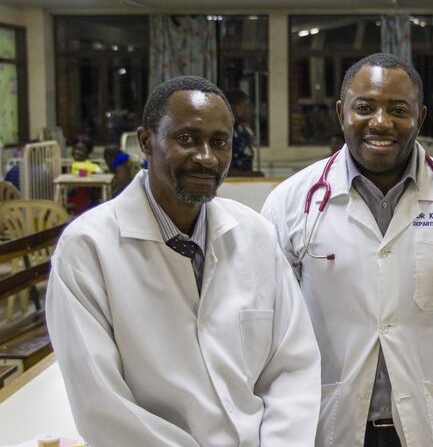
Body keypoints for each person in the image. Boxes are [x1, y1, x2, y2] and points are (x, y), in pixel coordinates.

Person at [46, 76, 321, 446]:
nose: (206, 157)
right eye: (187, 139)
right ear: (146, 142)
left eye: (219, 142)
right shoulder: (87, 250)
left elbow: (293, 367)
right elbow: (102, 405)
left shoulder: (255, 235)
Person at [262, 53, 433, 447]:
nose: (381, 122)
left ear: (421, 117)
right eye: (365, 108)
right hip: (329, 419)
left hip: (432, 420)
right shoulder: (291, 203)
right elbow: (273, 321)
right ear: (342, 112)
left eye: (399, 110)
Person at [224, 88, 255, 171]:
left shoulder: (241, 129)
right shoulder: (227, 130)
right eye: (246, 105)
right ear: (237, 107)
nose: (249, 110)